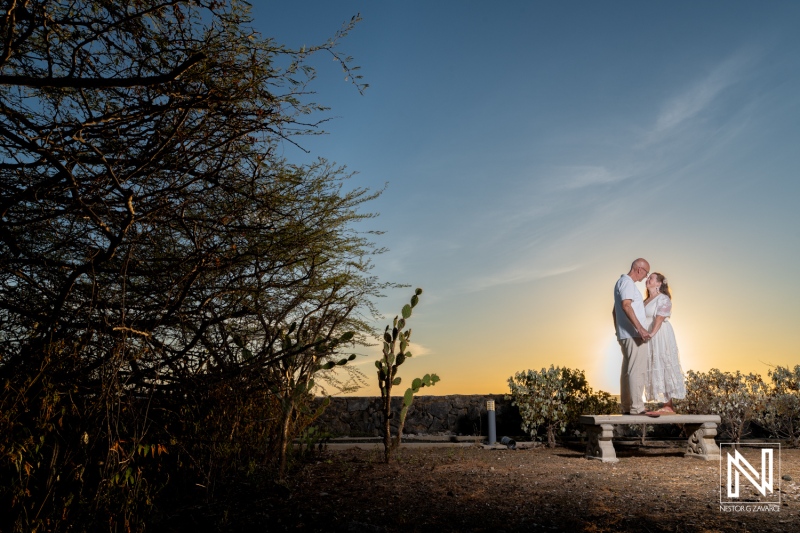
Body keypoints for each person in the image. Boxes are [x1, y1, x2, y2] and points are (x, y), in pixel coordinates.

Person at [612, 258, 659, 416]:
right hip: (633, 334)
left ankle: (627, 406)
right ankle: (637, 407)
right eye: (646, 272)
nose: (646, 277)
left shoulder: (621, 283)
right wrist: (640, 329)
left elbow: (614, 311)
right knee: (637, 370)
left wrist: (618, 331)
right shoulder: (627, 283)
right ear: (639, 269)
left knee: (628, 370)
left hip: (626, 334)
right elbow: (626, 306)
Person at [643, 272, 686, 414]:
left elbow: (660, 317)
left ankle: (668, 405)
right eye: (648, 278)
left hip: (659, 334)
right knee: (652, 363)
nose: (648, 279)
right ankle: (660, 403)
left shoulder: (663, 299)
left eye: (651, 278)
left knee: (663, 362)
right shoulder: (646, 300)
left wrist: (652, 333)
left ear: (659, 283)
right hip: (648, 335)